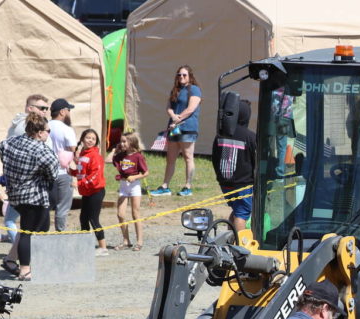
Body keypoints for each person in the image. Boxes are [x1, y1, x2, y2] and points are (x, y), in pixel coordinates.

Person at [0, 113, 56, 282]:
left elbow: (0, 147)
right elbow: (52, 172)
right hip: (34, 197)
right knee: (28, 232)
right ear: (39, 132)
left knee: (33, 229)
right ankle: (24, 270)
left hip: (15, 194)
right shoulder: (41, 150)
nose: (48, 134)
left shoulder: (11, 142)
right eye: (47, 131)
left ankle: (11, 260)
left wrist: (12, 171)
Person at [1, 94, 50, 250]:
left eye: (47, 108)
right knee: (32, 226)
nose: (45, 111)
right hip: (30, 186)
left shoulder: (20, 125)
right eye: (42, 108)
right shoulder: (25, 127)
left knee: (23, 223)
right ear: (30, 109)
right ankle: (22, 255)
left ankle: (15, 256)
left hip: (22, 184)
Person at [151, 65, 202, 197]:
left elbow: (191, 109)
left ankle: (187, 186)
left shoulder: (194, 89)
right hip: (174, 128)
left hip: (187, 128)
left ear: (190, 76)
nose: (181, 77)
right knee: (170, 158)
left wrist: (177, 120)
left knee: (188, 157)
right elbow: (168, 107)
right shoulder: (175, 90)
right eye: (179, 75)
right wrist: (173, 117)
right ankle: (165, 186)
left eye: (184, 75)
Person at [212, 96, 256, 233]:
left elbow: (215, 158)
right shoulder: (250, 136)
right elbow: (255, 159)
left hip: (225, 183)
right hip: (243, 184)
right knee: (242, 213)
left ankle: (230, 239)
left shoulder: (220, 135)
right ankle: (239, 245)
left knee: (236, 210)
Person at [69, 128, 108, 255]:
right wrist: (72, 171)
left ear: (96, 142)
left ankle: (103, 248)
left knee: (93, 219)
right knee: (83, 219)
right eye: (88, 138)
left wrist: (78, 182)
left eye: (93, 139)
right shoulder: (83, 155)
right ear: (82, 139)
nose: (90, 140)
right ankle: (85, 245)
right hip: (86, 192)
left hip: (96, 191)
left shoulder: (95, 156)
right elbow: (82, 172)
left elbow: (95, 176)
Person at [110, 132, 148, 251]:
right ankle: (126, 241)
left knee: (135, 213)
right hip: (123, 185)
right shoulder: (120, 156)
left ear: (131, 142)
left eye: (124, 141)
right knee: (120, 214)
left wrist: (135, 177)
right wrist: (114, 150)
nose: (122, 144)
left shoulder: (137, 156)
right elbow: (107, 160)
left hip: (134, 185)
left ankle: (139, 241)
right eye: (121, 141)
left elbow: (146, 172)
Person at [46, 99, 77, 231]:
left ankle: (42, 232)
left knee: (45, 206)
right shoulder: (66, 129)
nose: (69, 113)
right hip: (63, 172)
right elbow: (72, 149)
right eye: (68, 110)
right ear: (62, 112)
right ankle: (60, 233)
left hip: (45, 173)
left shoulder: (44, 126)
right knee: (62, 206)